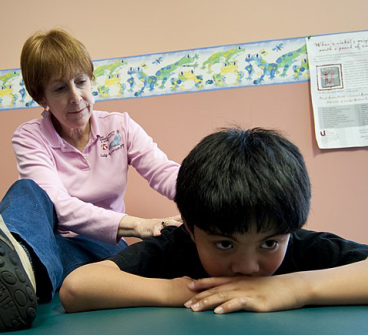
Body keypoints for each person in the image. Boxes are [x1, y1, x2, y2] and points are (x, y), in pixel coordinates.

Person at [60, 127, 368, 314]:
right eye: (224, 244)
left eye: (269, 243)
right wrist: (174, 292)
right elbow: (77, 288)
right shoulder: (176, 247)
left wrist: (294, 288)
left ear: (290, 230)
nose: (247, 266)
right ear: (192, 230)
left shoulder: (304, 248)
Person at [0, 28, 181, 332]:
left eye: (81, 82)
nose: (76, 97)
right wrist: (139, 224)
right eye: (59, 89)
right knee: (26, 192)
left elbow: (163, 171)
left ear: (91, 80)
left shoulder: (120, 126)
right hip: (54, 242)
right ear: (40, 96)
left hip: (104, 250)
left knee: (47, 256)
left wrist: (209, 194)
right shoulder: (29, 137)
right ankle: (24, 270)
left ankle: (26, 275)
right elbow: (60, 207)